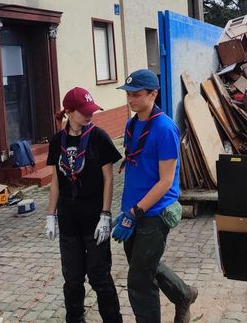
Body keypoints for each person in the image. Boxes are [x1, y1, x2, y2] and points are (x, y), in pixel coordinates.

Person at [112, 69, 198, 323]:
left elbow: (165, 181)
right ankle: (184, 294)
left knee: (138, 279)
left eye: (137, 95)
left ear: (153, 94)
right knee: (144, 266)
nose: (131, 100)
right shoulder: (131, 125)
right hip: (133, 209)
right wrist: (127, 210)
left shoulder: (164, 129)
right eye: (128, 94)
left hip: (155, 211)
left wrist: (135, 213)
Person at [45, 87, 123, 323]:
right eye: (84, 111)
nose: (90, 115)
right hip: (69, 222)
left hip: (94, 220)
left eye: (91, 110)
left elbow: (109, 178)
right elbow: (56, 180)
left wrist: (106, 214)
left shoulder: (98, 137)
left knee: (99, 276)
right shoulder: (57, 141)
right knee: (72, 279)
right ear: (69, 112)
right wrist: (51, 215)